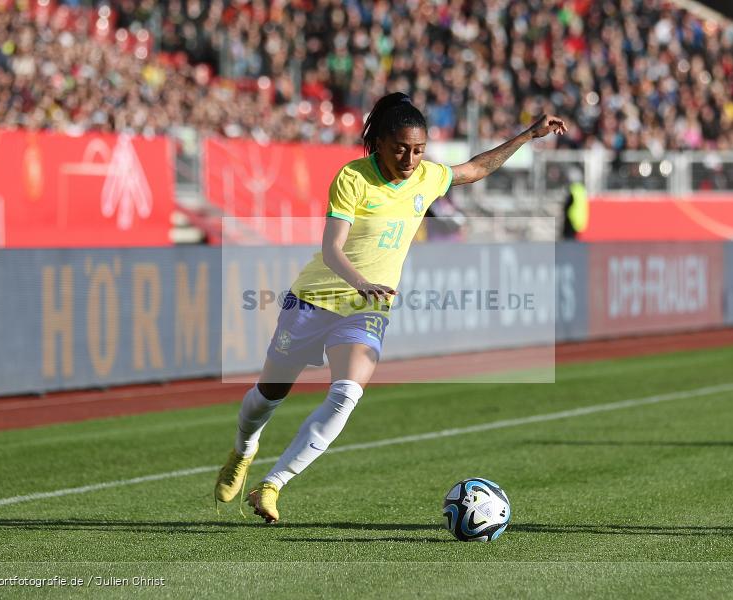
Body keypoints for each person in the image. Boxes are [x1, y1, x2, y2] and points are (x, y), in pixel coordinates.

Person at [214, 92, 567, 523]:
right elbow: (331, 249)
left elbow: (475, 168)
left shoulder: (426, 178)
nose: (410, 158)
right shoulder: (353, 179)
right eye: (401, 147)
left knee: (346, 393)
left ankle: (272, 484)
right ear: (379, 141)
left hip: (368, 308)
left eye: (418, 150)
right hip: (315, 298)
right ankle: (243, 451)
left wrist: (528, 135)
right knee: (269, 395)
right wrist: (361, 282)